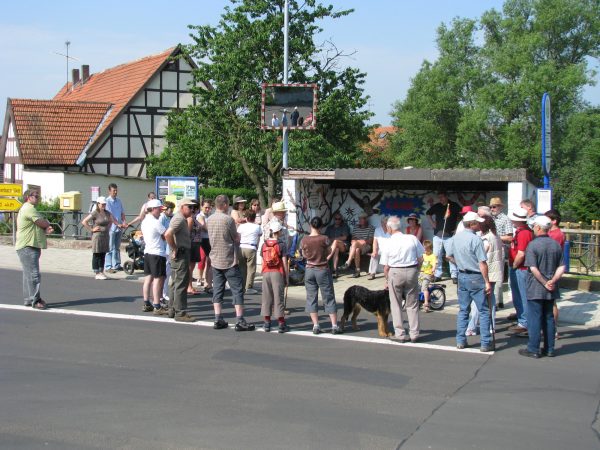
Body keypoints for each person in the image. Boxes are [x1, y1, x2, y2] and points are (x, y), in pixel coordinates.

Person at [519, 216, 565, 358]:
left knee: (535, 318)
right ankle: (549, 348)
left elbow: (533, 268)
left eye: (534, 226)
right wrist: (553, 280)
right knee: (549, 317)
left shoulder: (533, 245)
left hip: (536, 286)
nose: (533, 228)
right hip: (551, 286)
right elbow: (562, 266)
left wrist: (545, 282)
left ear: (538, 227)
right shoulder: (555, 245)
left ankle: (533, 348)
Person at [208, 194, 255, 331]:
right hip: (229, 259)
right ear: (223, 205)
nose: (229, 207)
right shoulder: (228, 220)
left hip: (215, 258)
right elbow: (235, 238)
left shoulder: (209, 219)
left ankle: (218, 318)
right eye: (228, 204)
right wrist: (238, 237)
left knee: (217, 290)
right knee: (237, 290)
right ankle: (239, 320)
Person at [447, 211, 493, 352]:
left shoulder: (455, 238)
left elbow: (448, 256)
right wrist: (487, 281)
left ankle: (460, 340)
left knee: (463, 310)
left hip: (462, 275)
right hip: (476, 276)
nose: (480, 224)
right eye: (477, 222)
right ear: (472, 224)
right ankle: (485, 343)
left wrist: (460, 263)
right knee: (484, 310)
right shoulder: (476, 240)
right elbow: (482, 263)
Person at [381, 216, 424, 343]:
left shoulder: (388, 242)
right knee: (412, 304)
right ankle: (414, 333)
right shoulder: (412, 238)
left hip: (395, 271)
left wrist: (387, 280)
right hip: (411, 270)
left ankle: (400, 334)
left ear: (389, 228)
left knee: (396, 304)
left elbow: (385, 266)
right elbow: (421, 258)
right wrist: (417, 270)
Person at [15, 189, 54, 310]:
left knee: (28, 274)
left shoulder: (29, 209)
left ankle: (29, 299)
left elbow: (39, 224)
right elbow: (41, 222)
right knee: (33, 274)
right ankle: (35, 300)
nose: (37, 197)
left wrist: (45, 227)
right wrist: (47, 225)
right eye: (35, 196)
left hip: (27, 245)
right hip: (28, 246)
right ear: (28, 197)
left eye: (38, 196)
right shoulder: (29, 208)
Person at [302, 216, 341, 335]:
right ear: (321, 226)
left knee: (311, 297)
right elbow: (329, 252)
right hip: (322, 269)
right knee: (328, 296)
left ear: (311, 225)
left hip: (309, 269)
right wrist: (334, 247)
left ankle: (316, 325)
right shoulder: (324, 238)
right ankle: (334, 325)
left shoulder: (304, 239)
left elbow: (303, 254)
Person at [466, 216, 503, 336]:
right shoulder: (495, 235)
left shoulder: (486, 238)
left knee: (478, 301)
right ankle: (491, 325)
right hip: (495, 270)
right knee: (490, 299)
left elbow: (481, 254)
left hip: (486, 271)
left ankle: (472, 327)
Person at [164, 198, 197, 322]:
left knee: (174, 283)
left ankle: (172, 309)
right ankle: (180, 312)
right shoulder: (178, 219)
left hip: (181, 254)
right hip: (180, 255)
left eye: (193, 207)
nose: (192, 209)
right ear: (182, 207)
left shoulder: (180, 219)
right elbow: (168, 234)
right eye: (189, 207)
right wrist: (175, 248)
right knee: (180, 284)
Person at [260, 220, 290, 333]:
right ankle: (281, 323)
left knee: (266, 297)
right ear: (279, 231)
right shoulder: (281, 245)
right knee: (278, 297)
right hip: (277, 272)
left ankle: (267, 323)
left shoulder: (264, 244)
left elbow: (263, 260)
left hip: (266, 272)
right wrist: (286, 276)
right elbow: (284, 261)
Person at [508, 207, 533, 336]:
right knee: (518, 295)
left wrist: (515, 265)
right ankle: (522, 320)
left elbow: (521, 253)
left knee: (522, 296)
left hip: (521, 268)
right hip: (519, 267)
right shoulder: (522, 231)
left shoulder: (523, 233)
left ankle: (525, 323)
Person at [141, 199, 169, 314]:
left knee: (148, 278)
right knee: (158, 278)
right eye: (159, 209)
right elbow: (166, 234)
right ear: (153, 209)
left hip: (148, 252)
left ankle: (147, 302)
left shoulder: (145, 221)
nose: (160, 212)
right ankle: (157, 305)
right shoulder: (155, 222)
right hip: (157, 253)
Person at [426, 191, 461, 283]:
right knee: (437, 256)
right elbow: (428, 213)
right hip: (437, 235)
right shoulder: (437, 206)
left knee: (450, 255)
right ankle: (438, 275)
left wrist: (457, 227)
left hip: (449, 235)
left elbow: (461, 215)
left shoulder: (453, 205)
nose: (440, 199)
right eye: (439, 197)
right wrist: (433, 223)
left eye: (442, 197)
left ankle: (454, 275)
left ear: (446, 197)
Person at [80, 196, 118, 280]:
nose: (104, 205)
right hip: (97, 236)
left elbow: (112, 220)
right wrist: (92, 229)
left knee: (103, 253)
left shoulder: (107, 213)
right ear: (98, 204)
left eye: (105, 204)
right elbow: (84, 221)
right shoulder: (95, 213)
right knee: (97, 253)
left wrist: (109, 227)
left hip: (105, 236)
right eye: (102, 204)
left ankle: (101, 271)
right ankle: (97, 272)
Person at [489, 197, 513, 309]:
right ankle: (496, 300)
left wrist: (496, 238)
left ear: (499, 207)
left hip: (500, 247)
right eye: (491, 207)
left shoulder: (505, 219)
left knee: (497, 274)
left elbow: (510, 237)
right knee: (490, 273)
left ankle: (498, 301)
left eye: (494, 206)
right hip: (489, 247)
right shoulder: (489, 218)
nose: (492, 209)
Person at [545, 209, 565, 339]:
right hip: (548, 268)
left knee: (552, 301)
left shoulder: (557, 234)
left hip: (552, 269)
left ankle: (553, 328)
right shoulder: (550, 232)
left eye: (548, 220)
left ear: (554, 221)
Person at [340, 212, 375, 278]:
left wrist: (359, 241)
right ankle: (357, 271)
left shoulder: (371, 228)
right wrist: (360, 241)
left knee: (355, 244)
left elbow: (370, 241)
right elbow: (352, 239)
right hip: (356, 246)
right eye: (359, 219)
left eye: (362, 219)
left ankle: (348, 262)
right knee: (357, 249)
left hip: (366, 246)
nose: (360, 221)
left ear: (366, 219)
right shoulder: (356, 227)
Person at [104, 183, 128, 273]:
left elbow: (122, 212)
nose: (115, 192)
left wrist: (124, 221)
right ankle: (108, 266)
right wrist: (117, 224)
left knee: (117, 247)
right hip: (111, 228)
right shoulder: (107, 201)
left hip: (119, 228)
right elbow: (110, 215)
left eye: (116, 190)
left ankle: (117, 265)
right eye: (114, 190)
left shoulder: (119, 201)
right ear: (109, 191)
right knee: (109, 247)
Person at [238, 210, 262, 295]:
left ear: (246, 218)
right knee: (251, 269)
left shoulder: (241, 226)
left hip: (241, 247)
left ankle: (241, 285)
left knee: (241, 268)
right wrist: (257, 246)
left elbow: (238, 237)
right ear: (254, 217)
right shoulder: (257, 227)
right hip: (252, 247)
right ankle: (248, 287)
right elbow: (259, 237)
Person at [159, 201, 175, 302]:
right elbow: (162, 233)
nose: (172, 212)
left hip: (167, 248)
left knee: (167, 272)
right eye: (171, 210)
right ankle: (162, 294)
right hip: (163, 248)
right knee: (164, 273)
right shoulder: (162, 218)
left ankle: (164, 293)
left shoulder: (168, 217)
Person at [325, 213, 350, 278]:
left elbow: (345, 237)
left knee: (336, 242)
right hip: (333, 247)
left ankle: (327, 259)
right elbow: (326, 238)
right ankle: (334, 270)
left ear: (341, 219)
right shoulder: (329, 228)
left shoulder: (344, 226)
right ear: (334, 219)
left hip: (343, 245)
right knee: (336, 249)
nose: (338, 220)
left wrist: (333, 239)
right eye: (336, 219)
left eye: (339, 219)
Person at [197, 199, 213, 294]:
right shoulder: (200, 215)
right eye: (205, 207)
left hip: (209, 239)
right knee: (202, 259)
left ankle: (208, 283)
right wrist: (212, 230)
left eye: (209, 207)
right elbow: (203, 226)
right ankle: (200, 278)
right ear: (202, 207)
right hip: (202, 240)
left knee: (210, 261)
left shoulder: (210, 216)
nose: (207, 209)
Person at [368, 215, 390, 280]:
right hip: (381, 249)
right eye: (383, 223)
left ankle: (389, 274)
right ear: (381, 223)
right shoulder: (377, 230)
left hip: (389, 250)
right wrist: (374, 251)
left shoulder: (391, 230)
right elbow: (375, 242)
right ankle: (372, 273)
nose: (385, 224)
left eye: (386, 223)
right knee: (374, 255)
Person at [187, 200, 202, 295]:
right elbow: (187, 232)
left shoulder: (193, 218)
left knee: (191, 267)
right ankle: (189, 286)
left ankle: (189, 286)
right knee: (190, 268)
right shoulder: (190, 219)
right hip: (191, 244)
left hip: (195, 243)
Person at [420, 240, 437, 313]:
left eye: (427, 249)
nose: (425, 251)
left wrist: (433, 270)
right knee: (419, 286)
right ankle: (421, 300)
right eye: (424, 249)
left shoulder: (433, 256)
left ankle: (426, 303)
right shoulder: (423, 255)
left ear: (430, 249)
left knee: (424, 288)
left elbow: (434, 265)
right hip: (421, 273)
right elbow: (419, 262)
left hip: (428, 274)